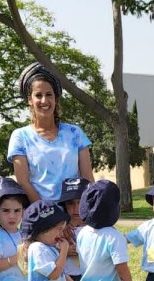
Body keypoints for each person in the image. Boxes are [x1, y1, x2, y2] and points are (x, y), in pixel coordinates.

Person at [8, 63, 95, 203]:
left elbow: (87, 178)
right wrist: (51, 216)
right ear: (30, 100)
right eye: (38, 95)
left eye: (49, 94)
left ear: (56, 99)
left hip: (75, 215)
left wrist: (83, 213)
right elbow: (23, 182)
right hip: (41, 216)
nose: (44, 100)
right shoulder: (20, 136)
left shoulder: (75, 134)